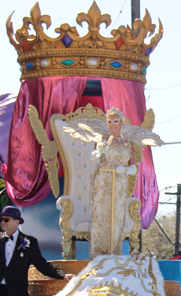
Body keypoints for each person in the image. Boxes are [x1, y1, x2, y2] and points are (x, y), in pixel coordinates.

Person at [61, 107, 164, 256]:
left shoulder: (129, 143)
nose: (112, 124)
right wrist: (98, 153)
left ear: (122, 123)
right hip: (103, 180)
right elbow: (95, 160)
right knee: (102, 214)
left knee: (117, 215)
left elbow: (134, 167)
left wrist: (125, 170)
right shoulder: (102, 140)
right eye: (109, 122)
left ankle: (114, 251)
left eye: (115, 121)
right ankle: (99, 253)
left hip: (120, 182)